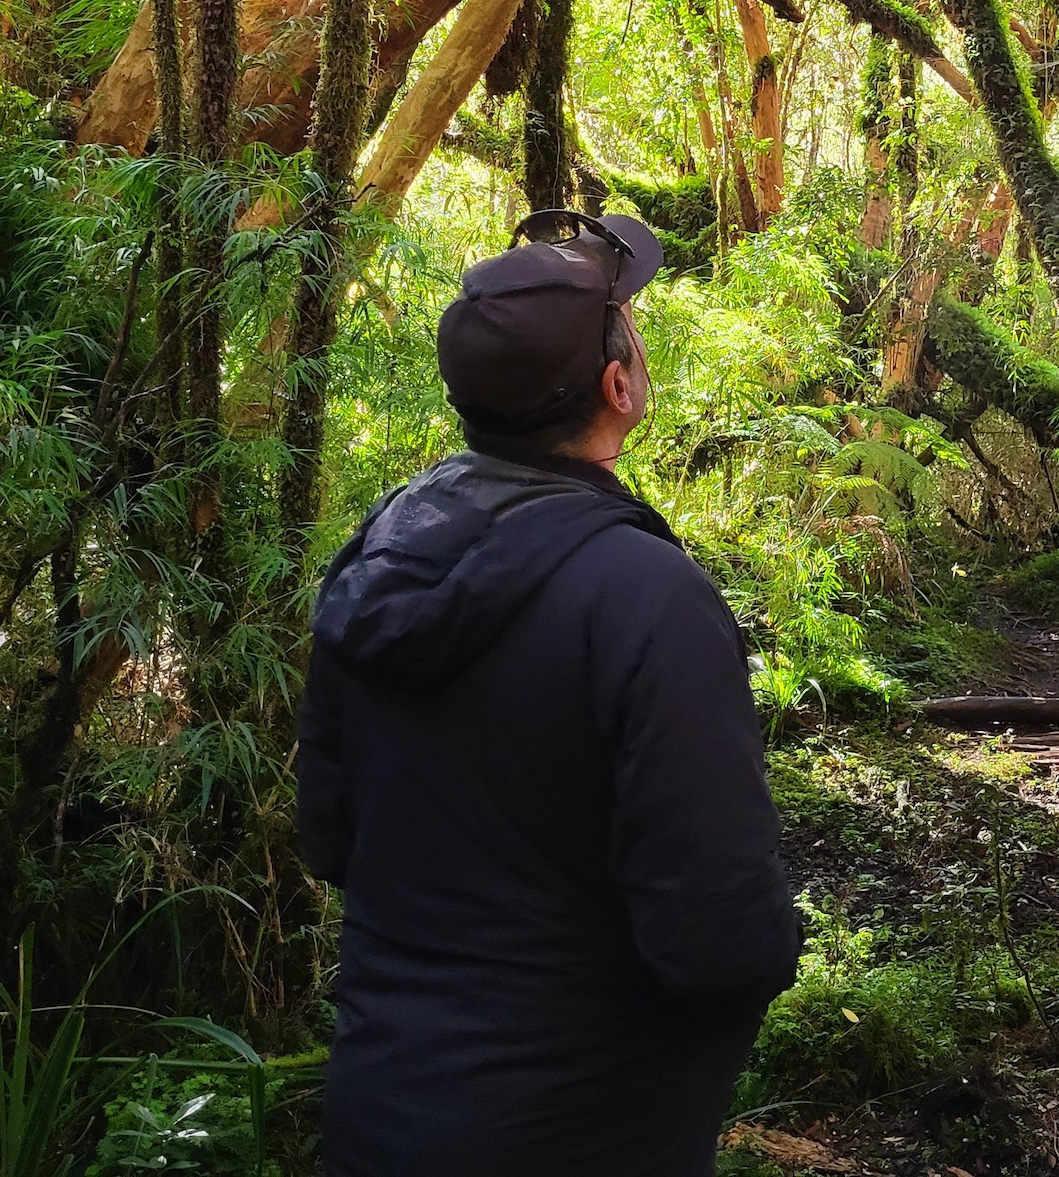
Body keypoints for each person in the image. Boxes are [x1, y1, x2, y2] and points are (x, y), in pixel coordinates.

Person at [297, 210, 798, 1177]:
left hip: (385, 1109)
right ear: (619, 388)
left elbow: (330, 838)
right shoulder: (650, 598)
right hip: (591, 1121)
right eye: (632, 332)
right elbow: (722, 940)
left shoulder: (378, 556)